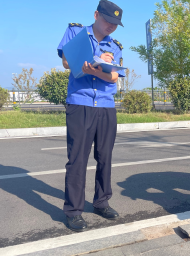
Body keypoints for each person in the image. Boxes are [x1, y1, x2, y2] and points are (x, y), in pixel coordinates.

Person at [57, 0, 125, 232]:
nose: (111, 27)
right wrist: (86, 64)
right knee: (77, 158)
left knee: (104, 156)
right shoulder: (75, 31)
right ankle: (74, 211)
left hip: (106, 106)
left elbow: (114, 78)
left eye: (115, 24)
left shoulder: (115, 45)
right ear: (96, 15)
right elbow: (66, 61)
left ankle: (101, 202)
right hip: (80, 103)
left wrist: (98, 70)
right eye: (108, 21)